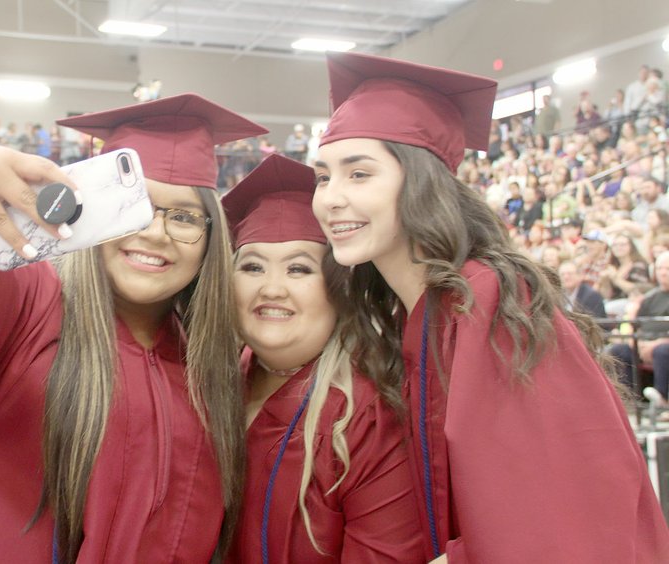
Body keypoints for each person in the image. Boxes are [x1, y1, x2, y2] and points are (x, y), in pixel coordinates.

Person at [310, 51, 669, 562]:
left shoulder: (489, 302)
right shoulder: (416, 315)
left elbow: (553, 520)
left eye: (359, 174)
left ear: (421, 183)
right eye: (323, 176)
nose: (331, 198)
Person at [0, 93, 268, 563]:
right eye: (137, 205)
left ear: (210, 242)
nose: (155, 232)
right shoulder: (32, 307)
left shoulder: (212, 373)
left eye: (183, 216)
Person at [222, 154, 424, 563]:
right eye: (253, 266)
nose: (272, 288)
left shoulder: (368, 416)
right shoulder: (209, 389)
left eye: (298, 269)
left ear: (339, 289)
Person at [609, 251, 669, 396]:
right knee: (618, 350)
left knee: (662, 351)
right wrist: (637, 343)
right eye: (660, 268)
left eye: (667, 269)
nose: (663, 272)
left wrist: (656, 344)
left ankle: (662, 399)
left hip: (663, 343)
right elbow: (635, 324)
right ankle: (630, 397)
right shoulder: (649, 298)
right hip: (644, 342)